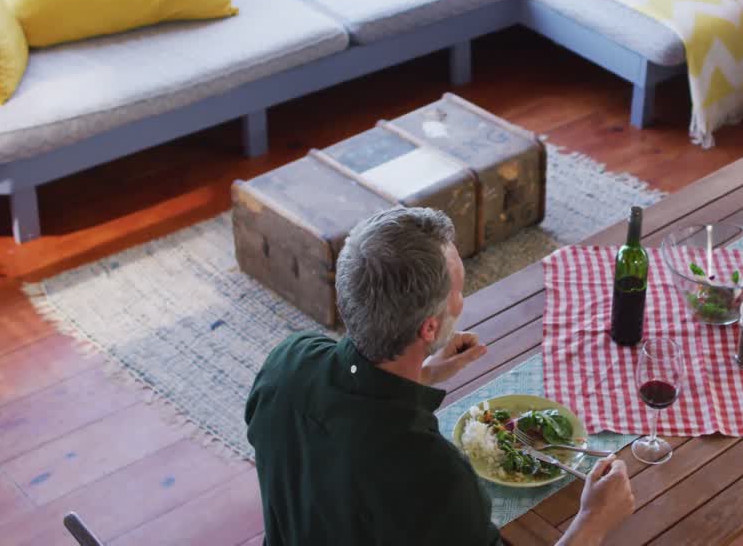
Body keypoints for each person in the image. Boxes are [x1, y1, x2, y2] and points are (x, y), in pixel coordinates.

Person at [246, 206, 635, 545]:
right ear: (429, 329)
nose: (462, 301)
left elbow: (343, 425)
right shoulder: (434, 474)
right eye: (460, 292)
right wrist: (593, 520)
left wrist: (424, 374)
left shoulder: (287, 362)